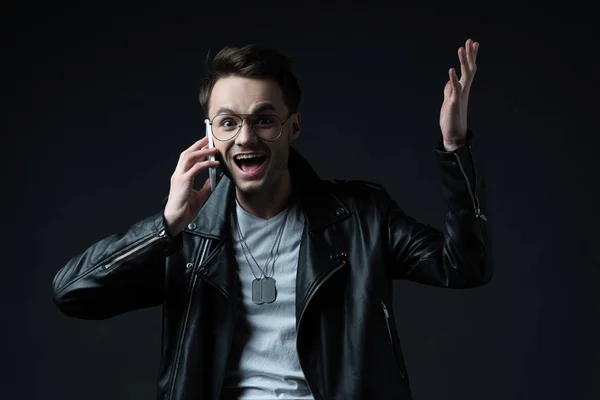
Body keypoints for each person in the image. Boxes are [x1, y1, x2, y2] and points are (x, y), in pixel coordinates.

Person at [52, 39, 492, 400]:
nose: (245, 137)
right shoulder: (186, 237)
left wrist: (454, 148)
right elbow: (73, 294)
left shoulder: (361, 216)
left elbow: (464, 266)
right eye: (228, 122)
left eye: (264, 119)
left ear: (292, 127)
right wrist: (166, 226)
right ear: (210, 134)